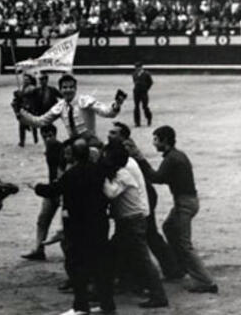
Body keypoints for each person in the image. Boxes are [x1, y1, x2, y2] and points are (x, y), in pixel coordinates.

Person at [126, 125, 219, 294]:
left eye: (156, 140)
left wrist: (139, 157)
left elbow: (156, 178)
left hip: (184, 204)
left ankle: (206, 281)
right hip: (186, 202)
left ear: (165, 141)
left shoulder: (172, 159)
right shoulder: (177, 155)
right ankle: (181, 266)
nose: (154, 143)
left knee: (184, 244)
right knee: (169, 228)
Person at [34, 138, 115, 315]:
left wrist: (37, 187)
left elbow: (53, 190)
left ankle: (81, 306)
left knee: (76, 265)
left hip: (78, 227)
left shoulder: (72, 174)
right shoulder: (98, 170)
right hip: (99, 223)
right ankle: (107, 305)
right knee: (100, 265)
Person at [107, 122, 178, 280]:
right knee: (144, 235)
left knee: (146, 235)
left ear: (123, 137)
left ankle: (166, 270)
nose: (109, 136)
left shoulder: (125, 151)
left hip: (141, 195)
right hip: (140, 194)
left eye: (113, 133)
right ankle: (170, 268)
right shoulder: (122, 148)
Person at [102, 141, 169, 309]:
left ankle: (158, 295)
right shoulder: (122, 171)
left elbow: (110, 193)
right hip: (130, 221)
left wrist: (100, 176)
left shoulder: (123, 174)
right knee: (121, 254)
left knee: (142, 259)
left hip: (132, 221)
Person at [19, 73, 126, 146]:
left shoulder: (85, 100)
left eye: (71, 87)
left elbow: (107, 112)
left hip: (91, 142)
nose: (68, 90)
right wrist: (20, 112)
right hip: (73, 143)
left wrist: (116, 105)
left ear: (76, 88)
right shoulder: (60, 106)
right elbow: (40, 121)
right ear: (60, 90)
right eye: (65, 87)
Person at [22, 124, 64, 260]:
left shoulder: (58, 148)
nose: (47, 139)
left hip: (58, 190)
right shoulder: (52, 148)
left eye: (49, 135)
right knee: (42, 219)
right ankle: (39, 249)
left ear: (55, 134)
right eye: (44, 136)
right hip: (52, 189)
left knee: (64, 224)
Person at [12, 73, 39, 147]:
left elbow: (27, 93)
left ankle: (35, 138)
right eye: (24, 79)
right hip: (23, 107)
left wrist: (19, 93)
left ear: (30, 81)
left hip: (31, 108)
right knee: (21, 125)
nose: (25, 81)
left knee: (33, 124)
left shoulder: (32, 88)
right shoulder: (22, 87)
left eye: (27, 79)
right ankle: (22, 141)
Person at [132, 61, 153, 127]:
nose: (137, 69)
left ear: (141, 67)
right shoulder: (134, 74)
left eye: (138, 67)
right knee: (136, 107)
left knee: (145, 106)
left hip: (143, 92)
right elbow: (135, 82)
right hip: (136, 92)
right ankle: (137, 122)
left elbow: (150, 82)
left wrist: (146, 89)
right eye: (136, 67)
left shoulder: (146, 74)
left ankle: (149, 118)